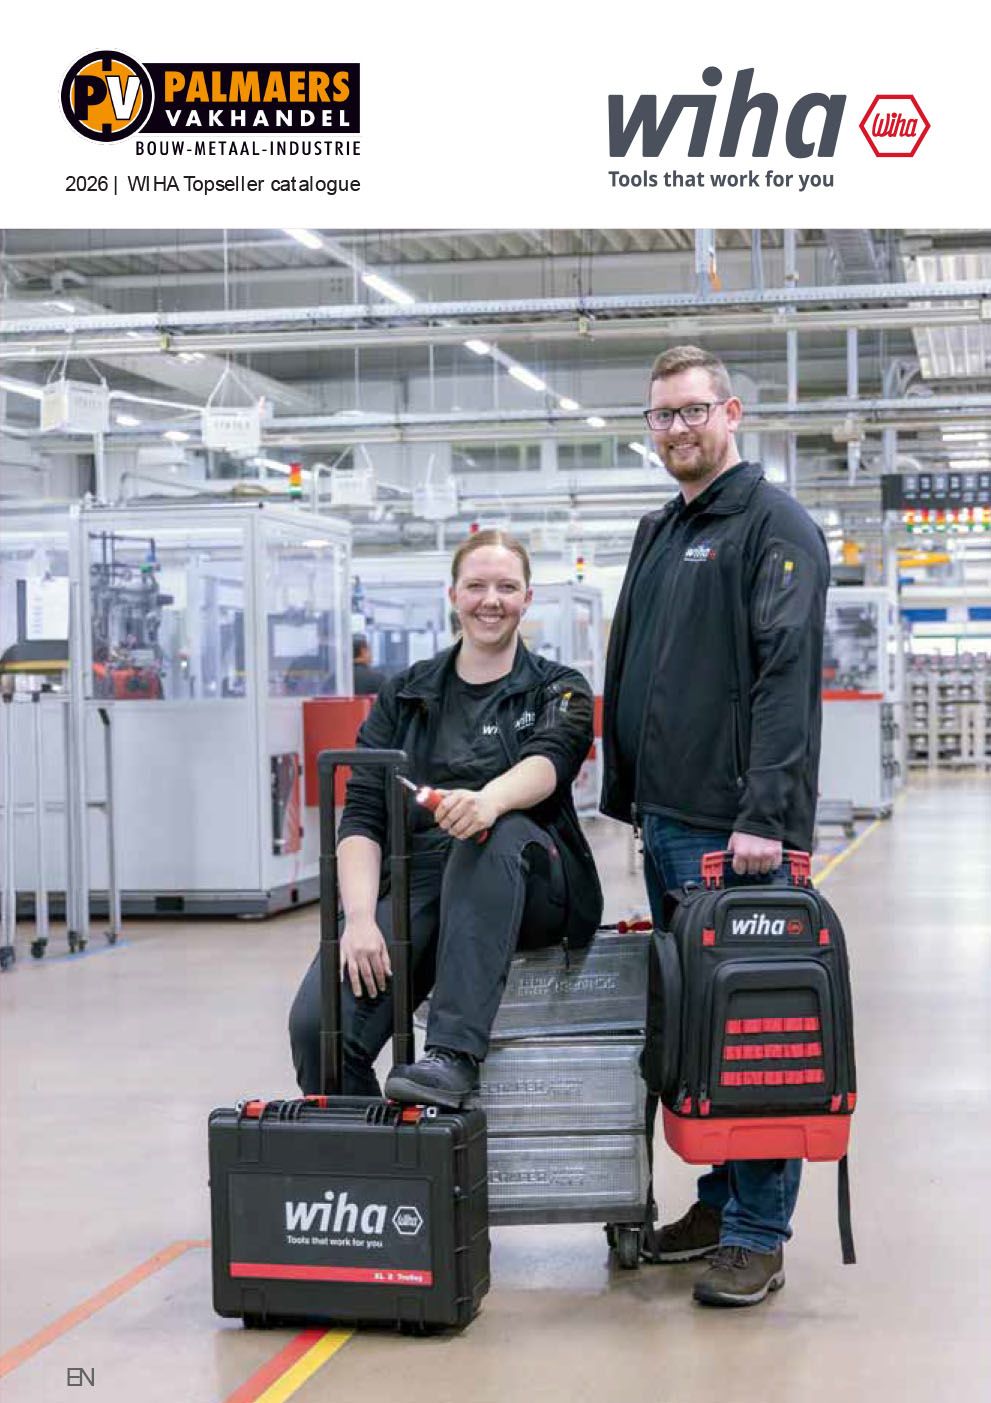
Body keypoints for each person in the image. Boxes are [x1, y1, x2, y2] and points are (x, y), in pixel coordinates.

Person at [601, 345, 830, 1308]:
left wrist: (763, 816)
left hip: (734, 828)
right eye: (662, 415)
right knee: (697, 1031)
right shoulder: (661, 529)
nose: (678, 429)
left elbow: (784, 677)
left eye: (693, 410)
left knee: (754, 1029)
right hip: (665, 820)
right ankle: (716, 1200)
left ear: (730, 413)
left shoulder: (775, 526)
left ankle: (756, 1232)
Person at [290, 529, 603, 1108]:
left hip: (528, 881)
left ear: (527, 598)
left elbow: (549, 762)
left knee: (495, 832)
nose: (491, 600)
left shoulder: (558, 688)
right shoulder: (405, 695)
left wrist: (489, 801)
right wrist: (359, 919)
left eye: (507, 587)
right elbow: (363, 813)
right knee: (321, 1031)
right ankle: (377, 1153)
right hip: (424, 882)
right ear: (453, 595)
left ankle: (453, 1054)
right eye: (476, 586)